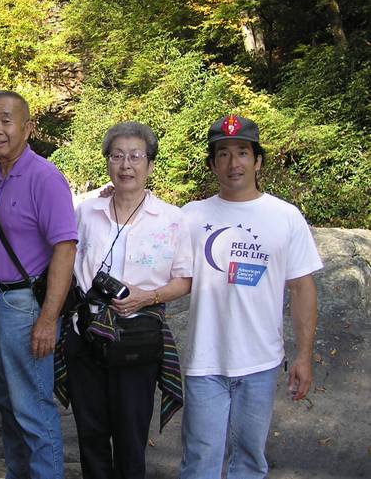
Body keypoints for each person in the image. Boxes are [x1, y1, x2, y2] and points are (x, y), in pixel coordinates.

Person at [179, 114, 322, 479]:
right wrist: (115, 197)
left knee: (249, 461)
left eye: (242, 152)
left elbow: (303, 288)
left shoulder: (286, 217)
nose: (233, 163)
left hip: (260, 362)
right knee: (200, 461)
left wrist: (303, 357)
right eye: (223, 154)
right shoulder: (191, 216)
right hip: (205, 362)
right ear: (213, 164)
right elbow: (148, 234)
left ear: (257, 160)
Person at [67, 121, 192, 479]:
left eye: (136, 157)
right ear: (107, 162)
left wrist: (146, 297)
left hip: (137, 339)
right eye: (117, 156)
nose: (126, 165)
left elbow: (184, 280)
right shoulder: (87, 213)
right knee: (90, 433)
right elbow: (68, 264)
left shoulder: (171, 219)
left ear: (150, 165)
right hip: (86, 332)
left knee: (130, 435)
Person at [0, 90, 77, 479]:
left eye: (6, 120)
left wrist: (48, 319)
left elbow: (65, 250)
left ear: (28, 127)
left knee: (33, 407)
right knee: (5, 403)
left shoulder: (45, 177)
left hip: (24, 305)